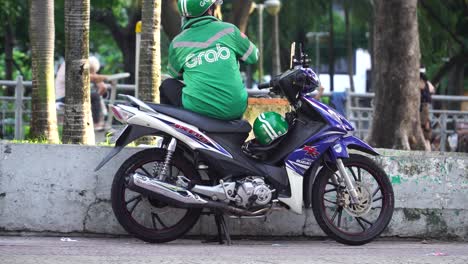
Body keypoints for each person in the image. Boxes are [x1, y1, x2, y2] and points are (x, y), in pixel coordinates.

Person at [160, 0, 259, 121]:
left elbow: (175, 75)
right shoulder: (229, 30)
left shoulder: (177, 42)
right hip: (236, 109)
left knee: (167, 85)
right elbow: (253, 56)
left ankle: (175, 134)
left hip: (198, 111)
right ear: (209, 9)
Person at [55, 56, 108, 130]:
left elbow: (95, 79)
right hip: (63, 97)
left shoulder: (73, 63)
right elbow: (90, 77)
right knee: (95, 96)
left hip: (67, 96)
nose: (93, 73)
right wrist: (105, 78)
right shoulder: (74, 65)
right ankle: (97, 123)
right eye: (91, 71)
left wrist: (99, 82)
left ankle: (98, 121)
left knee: (95, 96)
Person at [419, 70, 435, 150]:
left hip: (424, 112)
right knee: (425, 134)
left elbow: (428, 98)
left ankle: (427, 150)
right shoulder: (425, 84)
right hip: (422, 111)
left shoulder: (425, 84)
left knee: (426, 133)